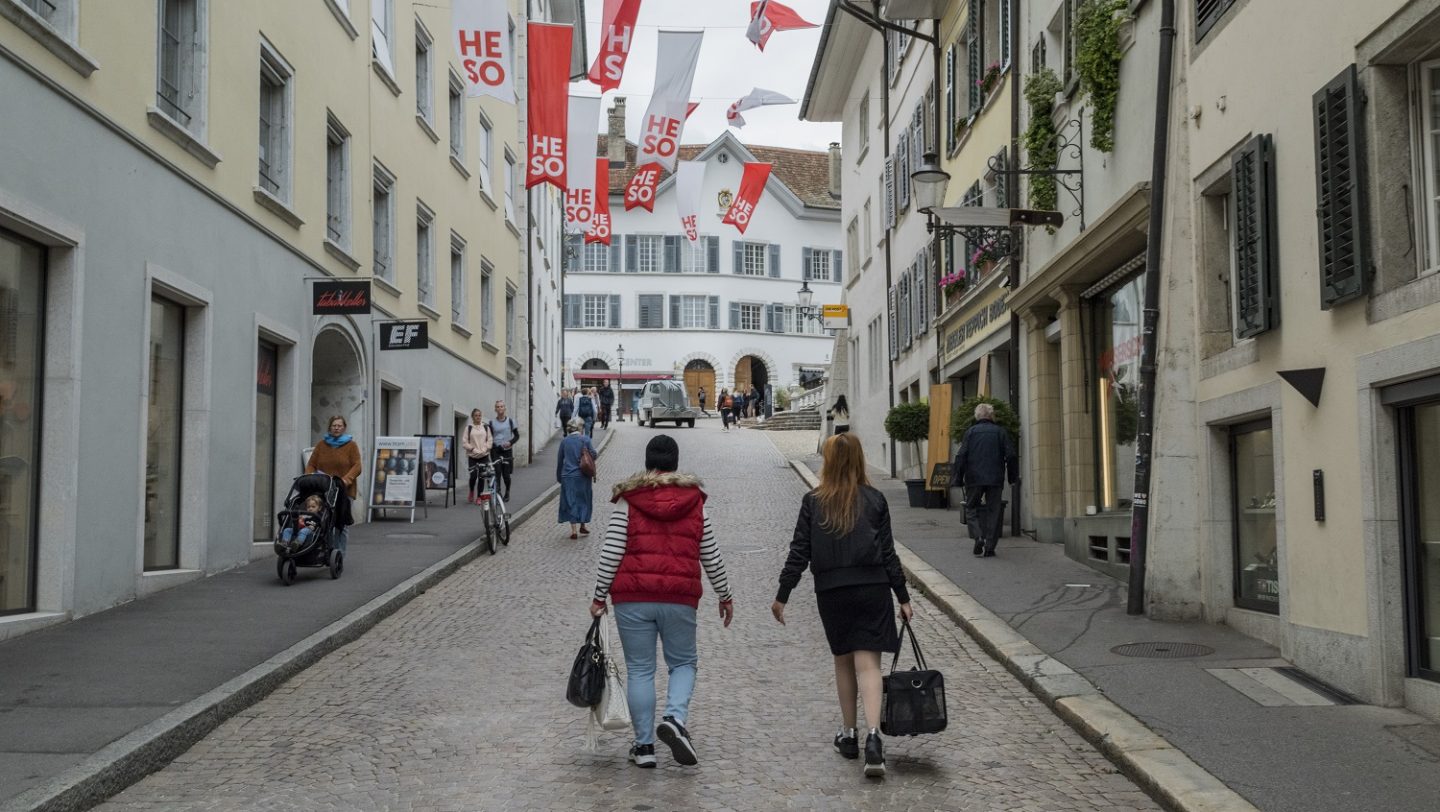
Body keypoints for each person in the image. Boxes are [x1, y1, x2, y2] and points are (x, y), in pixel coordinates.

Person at [772, 433, 913, 779]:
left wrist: (783, 594)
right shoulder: (876, 499)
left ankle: (849, 735)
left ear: (829, 462)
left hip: (833, 591)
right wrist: (903, 598)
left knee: (843, 662)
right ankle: (874, 739)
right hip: (872, 588)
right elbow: (889, 554)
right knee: (868, 665)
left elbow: (799, 551)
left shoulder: (814, 501)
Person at [591, 435, 734, 769]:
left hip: (633, 598)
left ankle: (644, 748)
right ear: (675, 463)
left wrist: (599, 596)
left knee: (640, 669)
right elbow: (710, 553)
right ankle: (673, 718)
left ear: (648, 463)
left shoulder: (629, 499)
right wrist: (724, 594)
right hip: (679, 598)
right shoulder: (695, 501)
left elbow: (611, 551)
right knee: (683, 663)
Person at [953, 402, 1019, 557]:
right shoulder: (1000, 432)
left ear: (977, 416)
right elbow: (1011, 455)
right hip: (995, 478)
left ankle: (978, 536)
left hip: (974, 477)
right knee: (994, 511)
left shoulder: (970, 432)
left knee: (970, 508)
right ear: (991, 416)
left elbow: (961, 456)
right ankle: (990, 547)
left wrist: (958, 478)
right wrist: (1012, 477)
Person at [305, 415, 361, 552]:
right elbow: (311, 464)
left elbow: (357, 466)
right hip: (324, 489)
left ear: (344, 428)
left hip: (344, 490)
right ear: (330, 427)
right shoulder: (321, 445)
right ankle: (327, 551)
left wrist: (346, 480)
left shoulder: (351, 445)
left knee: (341, 524)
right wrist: (310, 477)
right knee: (325, 521)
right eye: (334, 425)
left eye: (339, 426)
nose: (336, 428)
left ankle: (339, 555)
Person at [556, 417, 598, 539]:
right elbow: (594, 454)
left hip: (568, 476)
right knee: (583, 499)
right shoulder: (585, 439)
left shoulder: (564, 441)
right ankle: (583, 525)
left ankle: (574, 531)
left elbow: (560, 460)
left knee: (571, 501)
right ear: (580, 427)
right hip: (583, 476)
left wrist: (559, 476)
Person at [488, 401, 520, 501]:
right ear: (495, 409)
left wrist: (510, 442)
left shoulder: (511, 421)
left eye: (502, 406)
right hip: (495, 450)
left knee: (506, 475)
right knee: (497, 472)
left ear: (504, 408)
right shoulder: (491, 423)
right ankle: (498, 492)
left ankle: (507, 491)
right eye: (498, 407)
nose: (500, 408)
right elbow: (489, 437)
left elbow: (517, 436)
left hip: (507, 450)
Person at [462, 408, 493, 504]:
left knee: (481, 477)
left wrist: (484, 449)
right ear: (472, 417)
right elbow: (464, 442)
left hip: (484, 456)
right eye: (476, 415)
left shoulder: (486, 427)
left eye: (479, 415)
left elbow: (490, 440)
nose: (478, 417)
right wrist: (473, 449)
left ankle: (479, 497)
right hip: (473, 456)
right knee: (473, 476)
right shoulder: (469, 428)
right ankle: (471, 491)